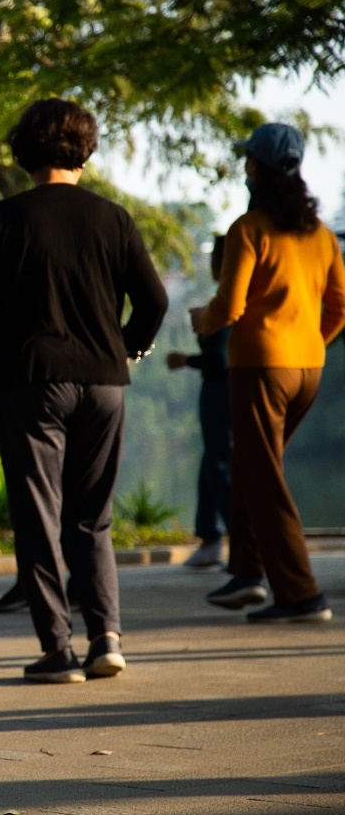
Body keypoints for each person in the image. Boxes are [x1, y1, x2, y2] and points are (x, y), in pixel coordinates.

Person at [0, 98, 168, 683]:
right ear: (85, 149)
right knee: (91, 518)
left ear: (23, 151)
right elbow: (154, 301)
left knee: (38, 516)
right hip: (104, 382)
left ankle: (58, 650)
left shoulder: (6, 218)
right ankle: (107, 638)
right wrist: (126, 347)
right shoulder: (114, 218)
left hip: (31, 381)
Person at [193, 121, 345, 622]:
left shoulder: (248, 230)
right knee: (253, 467)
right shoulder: (321, 236)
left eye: (246, 161)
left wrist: (202, 321)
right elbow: (340, 307)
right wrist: (307, 344)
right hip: (307, 368)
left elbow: (229, 306)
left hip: (260, 366)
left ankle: (301, 594)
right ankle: (246, 574)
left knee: (265, 477)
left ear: (254, 167)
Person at [167, 236, 232, 571]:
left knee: (221, 464)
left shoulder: (229, 304)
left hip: (224, 394)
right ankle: (209, 536)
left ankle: (241, 539)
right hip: (220, 394)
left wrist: (186, 359)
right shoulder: (223, 302)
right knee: (212, 463)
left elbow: (221, 359)